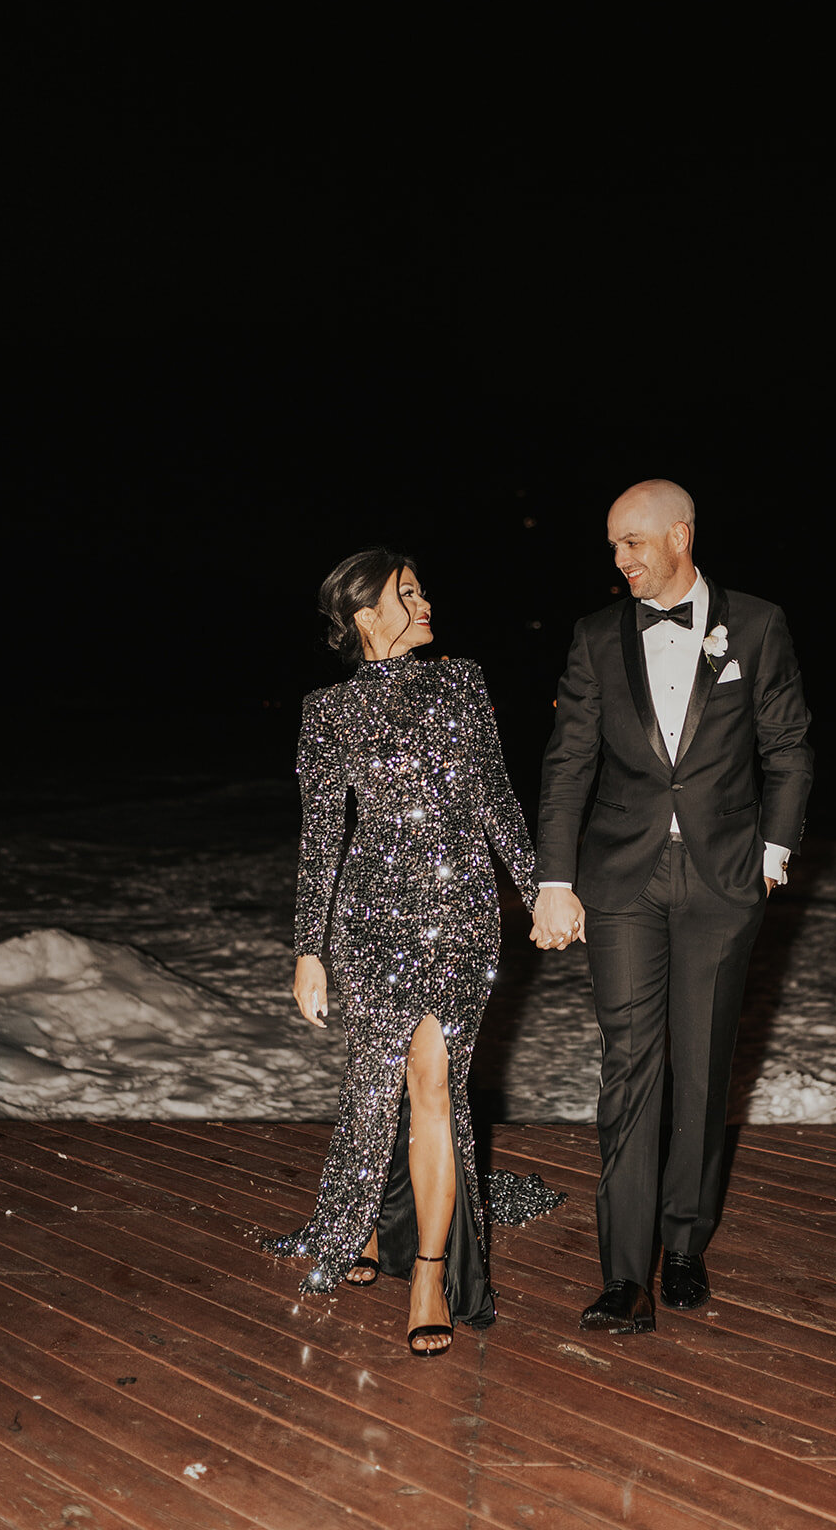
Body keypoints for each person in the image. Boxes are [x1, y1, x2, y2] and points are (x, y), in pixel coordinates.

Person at [531, 479, 813, 1334]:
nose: (619, 561)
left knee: (701, 1066)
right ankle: (625, 1274)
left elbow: (790, 747)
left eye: (631, 543)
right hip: (621, 881)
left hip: (724, 878)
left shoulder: (757, 624)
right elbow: (567, 763)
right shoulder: (592, 637)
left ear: (680, 536)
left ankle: (684, 1244)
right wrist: (553, 879)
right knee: (630, 1067)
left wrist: (771, 853)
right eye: (613, 546)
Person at [260, 547, 539, 1357]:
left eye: (421, 590)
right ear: (365, 617)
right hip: (372, 919)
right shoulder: (326, 711)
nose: (425, 604)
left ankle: (427, 1271)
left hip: (460, 918)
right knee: (380, 1082)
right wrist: (308, 950)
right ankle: (373, 1230)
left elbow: (495, 796)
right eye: (406, 594)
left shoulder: (463, 682)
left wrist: (541, 889)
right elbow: (321, 838)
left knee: (434, 1085)